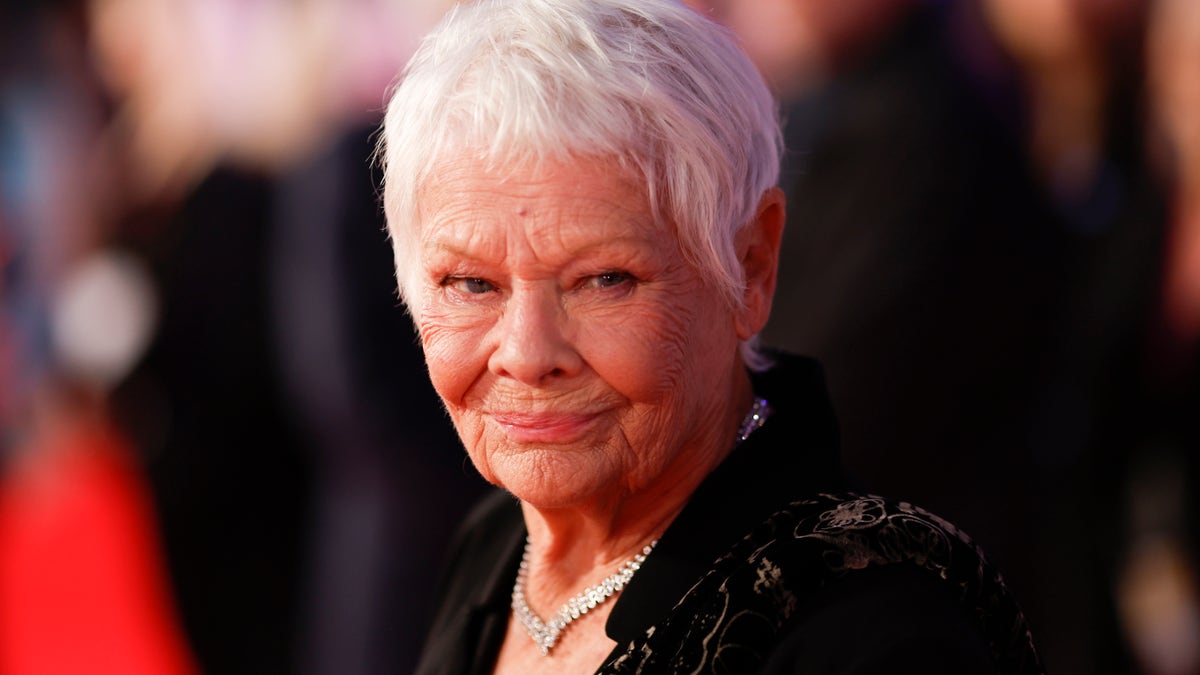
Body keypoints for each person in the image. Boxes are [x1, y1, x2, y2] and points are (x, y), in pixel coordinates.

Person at [375, 0, 1042, 673]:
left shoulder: (874, 631)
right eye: (470, 283)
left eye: (604, 278)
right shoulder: (494, 545)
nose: (526, 353)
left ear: (750, 266)